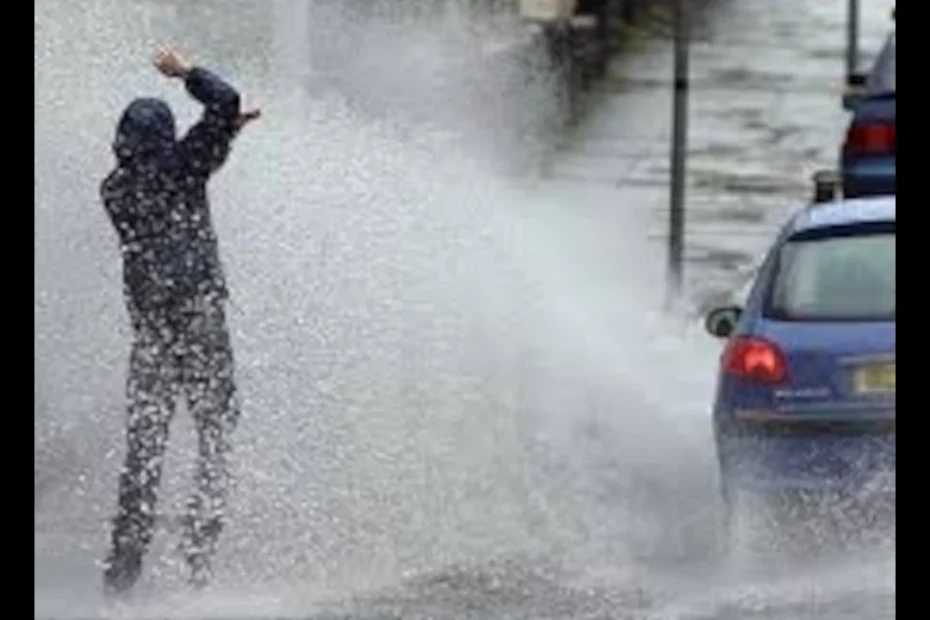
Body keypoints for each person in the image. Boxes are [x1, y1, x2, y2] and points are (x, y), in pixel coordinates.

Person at [100, 47, 259, 595]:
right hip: (198, 318)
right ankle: (197, 565)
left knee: (144, 451)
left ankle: (120, 580)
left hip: (152, 333)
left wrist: (221, 136)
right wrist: (187, 74)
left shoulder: (114, 189)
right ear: (167, 136)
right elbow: (225, 101)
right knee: (215, 433)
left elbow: (182, 166)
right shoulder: (183, 165)